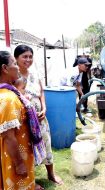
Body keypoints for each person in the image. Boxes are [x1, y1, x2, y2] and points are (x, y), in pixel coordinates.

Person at [14, 45, 63, 185]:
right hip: (24, 121)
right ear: (16, 58)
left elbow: (41, 92)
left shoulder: (35, 74)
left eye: (30, 56)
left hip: (40, 119)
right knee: (27, 149)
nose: (28, 59)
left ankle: (51, 174)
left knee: (46, 144)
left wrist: (44, 107)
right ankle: (31, 180)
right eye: (24, 56)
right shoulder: (13, 77)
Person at [0, 51, 36, 189]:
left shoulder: (8, 93)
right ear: (5, 68)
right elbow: (8, 136)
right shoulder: (8, 99)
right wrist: (20, 164)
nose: (17, 67)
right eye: (14, 63)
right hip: (15, 157)